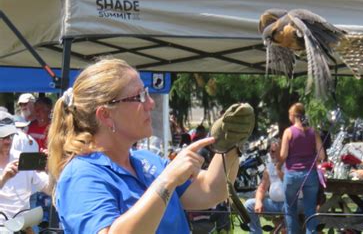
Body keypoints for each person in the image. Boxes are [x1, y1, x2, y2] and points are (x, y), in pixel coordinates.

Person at [47, 58, 240, 233]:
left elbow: (212, 190)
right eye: (138, 96)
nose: (150, 104)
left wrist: (230, 142)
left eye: (146, 93)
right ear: (105, 115)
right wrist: (167, 181)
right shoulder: (81, 175)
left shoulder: (146, 161)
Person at [280, 102, 325, 234]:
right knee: (310, 209)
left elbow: (283, 155)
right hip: (310, 175)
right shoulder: (313, 132)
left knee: (290, 208)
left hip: (292, 174)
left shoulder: (288, 132)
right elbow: (321, 155)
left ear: (293, 115)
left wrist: (278, 165)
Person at [0, 111, 50, 224]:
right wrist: (3, 179)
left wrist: (50, 169)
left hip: (22, 224)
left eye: (11, 136)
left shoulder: (22, 157)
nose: (8, 141)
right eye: (3, 137)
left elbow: (49, 189)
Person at [245, 140, 303, 234]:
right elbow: (262, 188)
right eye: (270, 151)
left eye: (273, 151)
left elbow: (290, 187)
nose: (270, 153)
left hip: (295, 202)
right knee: (249, 204)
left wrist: (278, 169)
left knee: (287, 208)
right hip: (275, 204)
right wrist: (259, 201)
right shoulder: (269, 167)